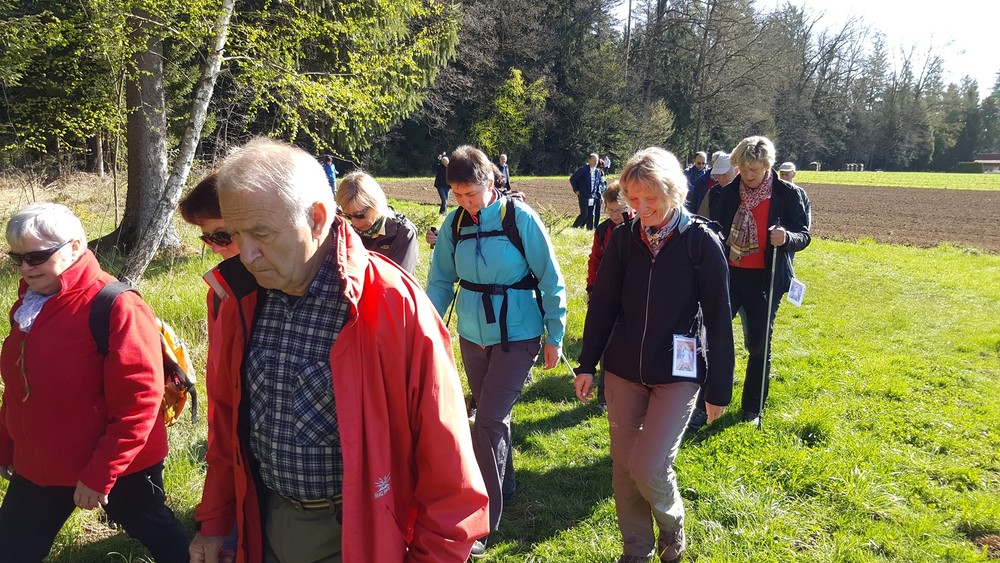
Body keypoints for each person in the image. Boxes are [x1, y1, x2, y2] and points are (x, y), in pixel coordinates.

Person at [189, 138, 489, 563]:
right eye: (235, 234)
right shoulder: (238, 296)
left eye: (261, 233)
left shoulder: (392, 304)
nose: (248, 254)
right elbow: (226, 423)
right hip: (264, 524)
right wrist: (216, 523)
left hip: (360, 535)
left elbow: (450, 468)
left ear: (316, 219)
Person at [0, 202, 190, 562]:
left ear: (75, 247)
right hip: (40, 466)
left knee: (161, 537)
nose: (25, 268)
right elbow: (19, 386)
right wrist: (5, 443)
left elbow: (139, 402)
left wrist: (101, 474)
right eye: (17, 258)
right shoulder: (30, 303)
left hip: (119, 466)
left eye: (36, 257)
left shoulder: (116, 305)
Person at [573, 147, 734, 563]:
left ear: (673, 191)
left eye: (651, 198)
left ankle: (672, 523)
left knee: (648, 466)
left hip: (678, 372)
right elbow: (603, 303)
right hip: (624, 368)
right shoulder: (624, 238)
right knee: (624, 468)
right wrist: (587, 363)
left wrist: (719, 388)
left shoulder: (700, 241)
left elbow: (719, 318)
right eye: (634, 198)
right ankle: (637, 547)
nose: (641, 208)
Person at [426, 145, 567, 559]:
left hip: (519, 334)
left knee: (485, 421)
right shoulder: (454, 225)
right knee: (494, 415)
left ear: (491, 182)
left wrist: (555, 335)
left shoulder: (519, 219)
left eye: (471, 193)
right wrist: (426, 327)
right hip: (472, 335)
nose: (465, 202)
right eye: (457, 194)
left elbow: (551, 278)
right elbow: (440, 281)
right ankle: (506, 482)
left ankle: (483, 518)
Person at [708, 136, 810, 423]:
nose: (748, 175)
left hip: (766, 280)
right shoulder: (726, 194)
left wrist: (786, 238)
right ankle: (709, 402)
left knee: (758, 345)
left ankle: (752, 409)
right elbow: (715, 231)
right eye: (743, 169)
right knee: (712, 337)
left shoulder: (788, 194)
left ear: (768, 166)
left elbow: (804, 235)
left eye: (754, 169)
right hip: (729, 276)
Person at [179, 172, 241, 563]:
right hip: (232, 452)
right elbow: (221, 393)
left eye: (222, 236)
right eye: (207, 239)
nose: (215, 248)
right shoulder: (221, 290)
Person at [584, 182, 635, 409]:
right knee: (606, 344)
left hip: (633, 294)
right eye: (610, 210)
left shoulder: (640, 227)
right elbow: (594, 259)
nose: (615, 215)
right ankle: (604, 396)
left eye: (620, 210)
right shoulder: (602, 230)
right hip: (607, 293)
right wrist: (591, 288)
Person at [335, 170, 418, 274]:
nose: (354, 222)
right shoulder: (346, 232)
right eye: (348, 216)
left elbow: (401, 280)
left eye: (359, 215)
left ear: (375, 203)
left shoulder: (404, 233)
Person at [570, 153, 603, 229]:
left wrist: (600, 196)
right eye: (594, 160)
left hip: (592, 196)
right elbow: (573, 179)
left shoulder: (598, 172)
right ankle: (574, 227)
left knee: (591, 214)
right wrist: (576, 189)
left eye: (596, 161)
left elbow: (598, 185)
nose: (595, 162)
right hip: (583, 195)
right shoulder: (583, 170)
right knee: (584, 214)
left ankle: (589, 229)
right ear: (589, 160)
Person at [777, 161, 812, 231]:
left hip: (794, 231)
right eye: (782, 174)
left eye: (786, 174)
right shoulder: (776, 191)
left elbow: (806, 213)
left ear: (793, 174)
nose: (784, 177)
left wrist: (805, 231)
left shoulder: (800, 192)